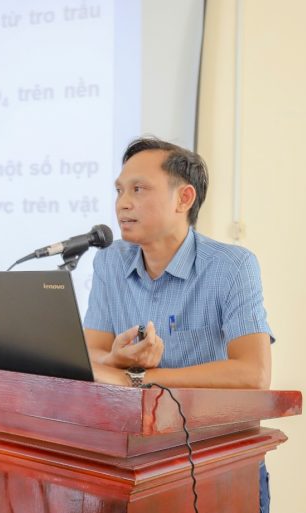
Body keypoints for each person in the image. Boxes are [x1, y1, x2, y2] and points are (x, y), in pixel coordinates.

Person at [83, 136, 273, 512]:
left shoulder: (232, 267)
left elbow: (254, 373)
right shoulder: (110, 262)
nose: (122, 203)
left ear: (183, 199)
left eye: (138, 189)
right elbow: (88, 356)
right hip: (131, 463)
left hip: (217, 464)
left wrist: (140, 379)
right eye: (119, 190)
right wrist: (115, 360)